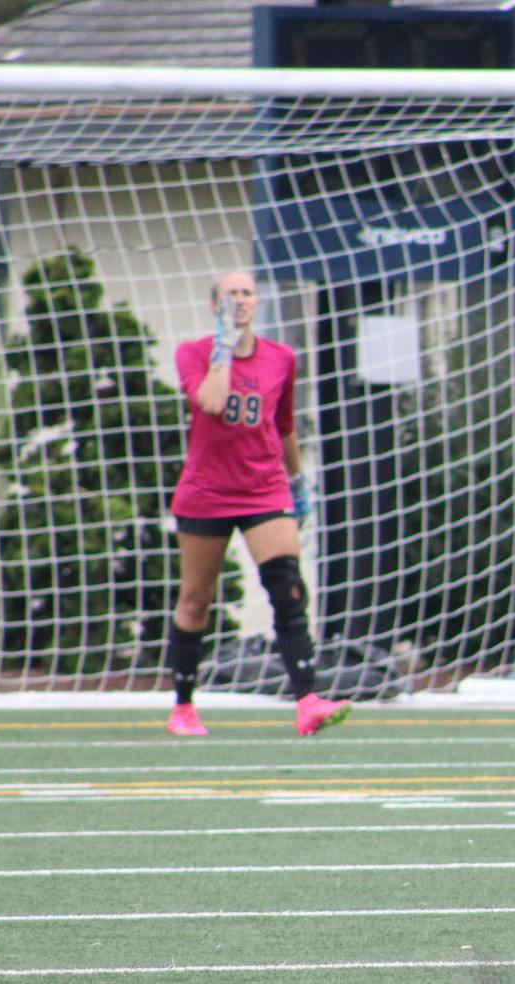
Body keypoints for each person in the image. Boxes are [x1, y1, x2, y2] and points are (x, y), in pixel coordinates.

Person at [165, 271, 350, 738]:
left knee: (288, 589)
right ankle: (184, 707)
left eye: (247, 292)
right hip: (207, 491)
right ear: (215, 305)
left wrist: (298, 481)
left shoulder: (281, 358)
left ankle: (308, 700)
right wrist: (224, 347)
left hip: (264, 487)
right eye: (231, 293)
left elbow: (282, 424)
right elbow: (211, 401)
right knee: (196, 599)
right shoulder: (194, 353)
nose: (241, 299)